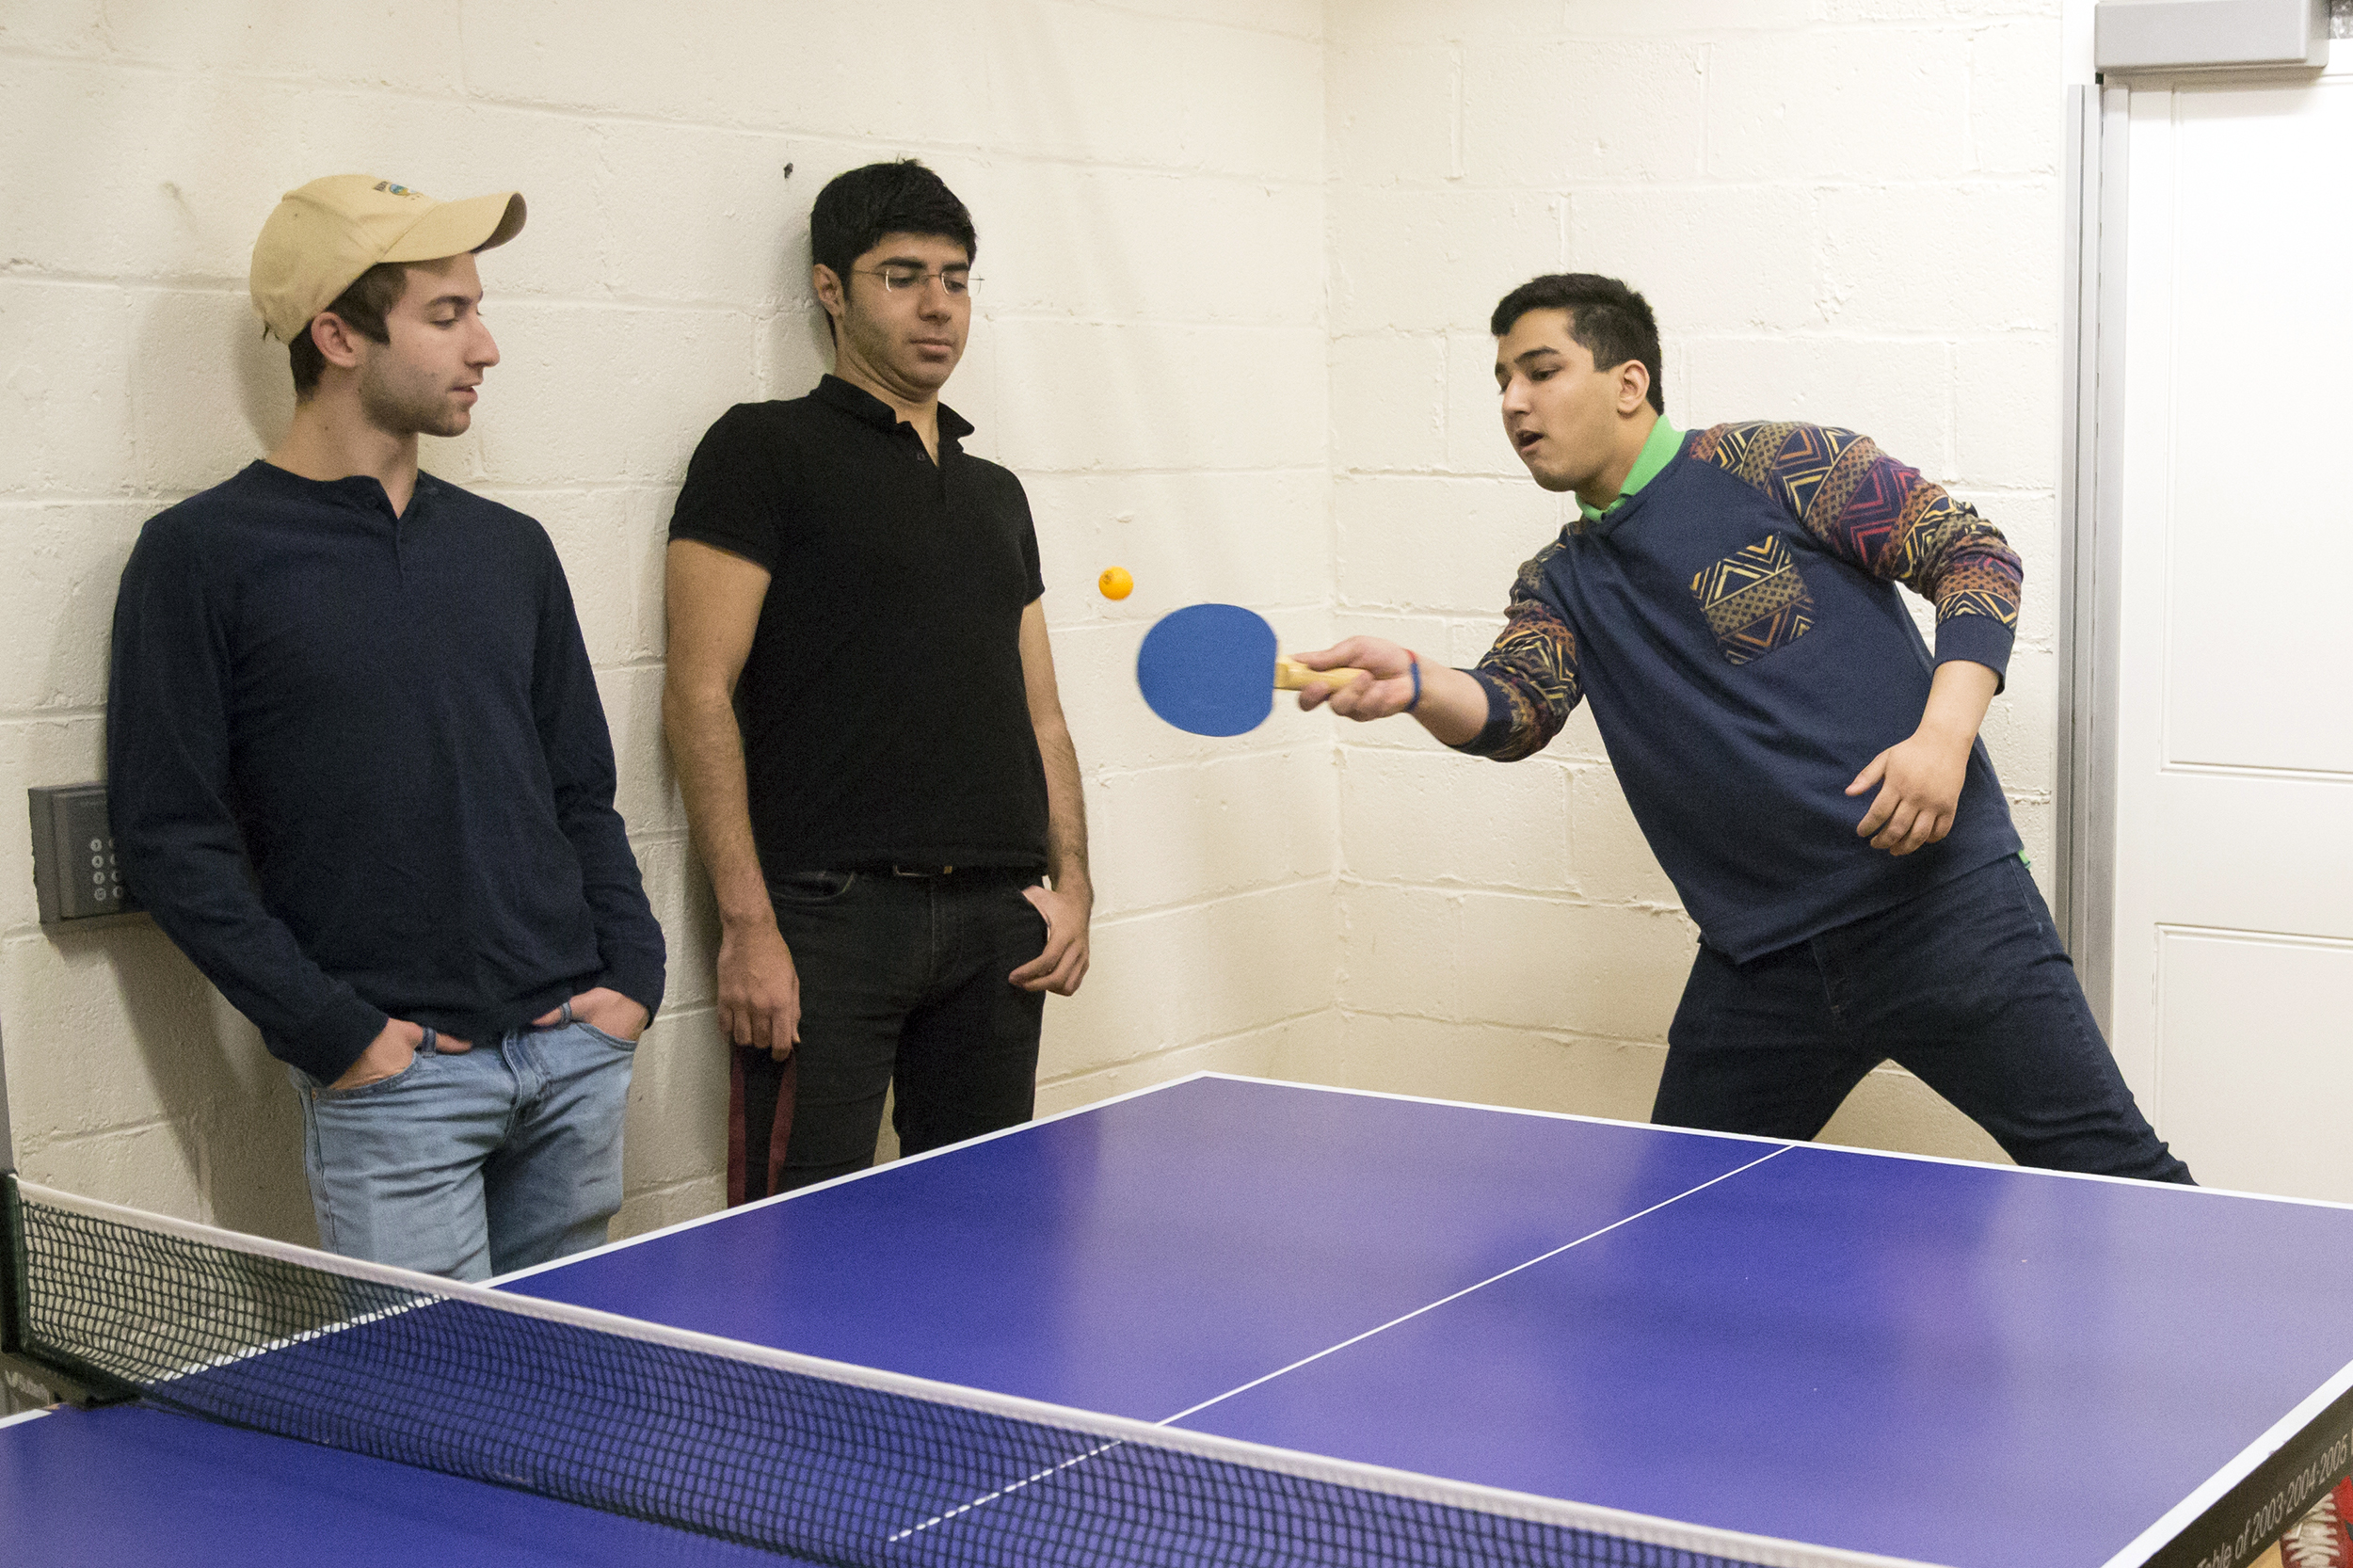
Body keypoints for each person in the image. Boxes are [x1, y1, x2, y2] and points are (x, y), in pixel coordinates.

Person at [1295, 273, 2189, 1183]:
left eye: (1541, 370)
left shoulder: (1778, 463)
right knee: (1672, 1227)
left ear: (1629, 382)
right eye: (1501, 383)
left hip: (1945, 918)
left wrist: (1943, 739)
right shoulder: (1556, 584)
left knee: (2124, 1180)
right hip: (1760, 966)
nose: (1514, 401)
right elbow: (1515, 707)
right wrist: (1416, 682)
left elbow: (1972, 554)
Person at [108, 175, 666, 1278]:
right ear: (337, 336)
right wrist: (340, 1038)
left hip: (573, 1050)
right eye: (448, 314)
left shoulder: (510, 548)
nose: (487, 346)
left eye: (478, 310)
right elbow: (170, 837)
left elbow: (578, 794)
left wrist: (633, 981)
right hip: (396, 1086)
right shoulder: (202, 555)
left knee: (571, 1400)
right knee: (426, 1420)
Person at [664, 160, 1089, 1202]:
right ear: (829, 288)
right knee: (796, 1244)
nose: (938, 305)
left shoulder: (997, 493)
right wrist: (748, 928)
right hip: (829, 921)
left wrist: (1072, 886)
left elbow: (1042, 716)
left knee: (983, 1231)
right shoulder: (761, 451)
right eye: (902, 275)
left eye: (955, 277)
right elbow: (697, 696)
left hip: (999, 921)